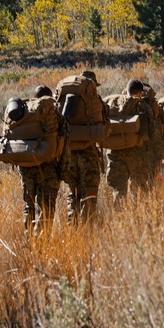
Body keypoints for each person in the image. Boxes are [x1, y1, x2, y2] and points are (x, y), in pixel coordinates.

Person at [16, 85, 70, 235]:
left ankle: (30, 241)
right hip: (48, 170)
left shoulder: (23, 114)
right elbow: (65, 147)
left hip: (26, 169)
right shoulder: (56, 116)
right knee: (45, 208)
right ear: (49, 98)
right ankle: (42, 242)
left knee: (28, 206)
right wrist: (62, 174)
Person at [61, 70, 107, 224]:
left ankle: (72, 229)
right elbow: (105, 129)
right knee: (89, 195)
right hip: (89, 154)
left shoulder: (64, 100)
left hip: (69, 156)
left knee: (72, 194)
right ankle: (88, 229)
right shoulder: (96, 101)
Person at [105, 79, 158, 198]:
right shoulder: (143, 106)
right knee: (139, 190)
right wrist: (156, 154)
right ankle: (136, 215)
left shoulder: (113, 103)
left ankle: (119, 216)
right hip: (137, 153)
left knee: (118, 191)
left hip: (115, 152)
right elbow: (152, 132)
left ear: (126, 90)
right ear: (140, 93)